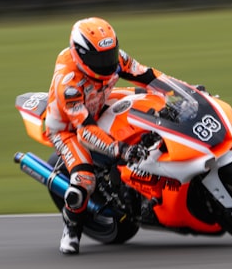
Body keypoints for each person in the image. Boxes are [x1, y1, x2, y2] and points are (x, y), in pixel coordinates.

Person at [44, 17, 164, 255]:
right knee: (84, 180)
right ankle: (71, 229)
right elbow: (85, 131)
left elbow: (148, 76)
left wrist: (185, 92)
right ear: (80, 54)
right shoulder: (68, 84)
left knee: (152, 108)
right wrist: (121, 149)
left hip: (100, 103)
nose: (108, 63)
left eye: (109, 54)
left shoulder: (115, 58)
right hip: (69, 128)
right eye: (99, 58)